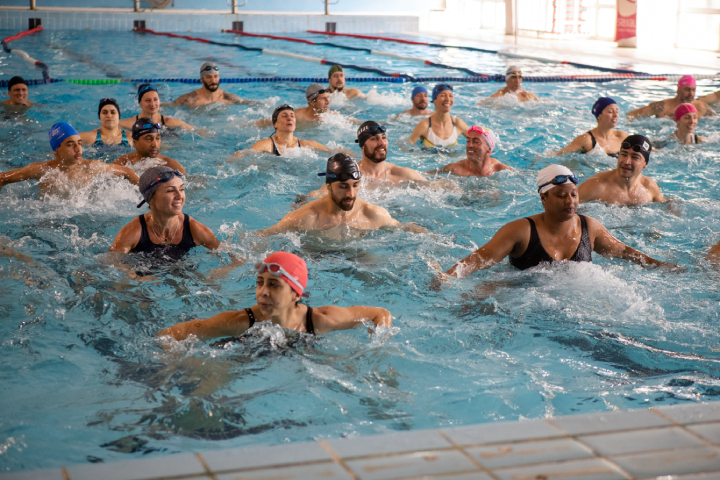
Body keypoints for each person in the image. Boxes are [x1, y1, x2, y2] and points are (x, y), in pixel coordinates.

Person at [440, 164, 674, 277]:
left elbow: (624, 251)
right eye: (561, 196)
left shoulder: (589, 227)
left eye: (574, 194)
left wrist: (660, 265)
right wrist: (446, 279)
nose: (570, 201)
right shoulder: (521, 231)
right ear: (544, 198)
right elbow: (477, 260)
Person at [157, 251, 392, 340]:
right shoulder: (242, 322)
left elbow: (380, 314)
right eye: (260, 283)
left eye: (274, 285)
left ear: (296, 294)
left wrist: (378, 345)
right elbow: (170, 334)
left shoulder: (321, 320)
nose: (263, 292)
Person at [257, 154, 426, 236]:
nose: (350, 194)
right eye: (343, 187)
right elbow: (263, 235)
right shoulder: (306, 217)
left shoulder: (373, 214)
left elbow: (406, 228)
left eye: (355, 185)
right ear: (328, 186)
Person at [109, 166, 226, 260]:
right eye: (170, 190)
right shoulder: (133, 232)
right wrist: (133, 276)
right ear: (151, 199)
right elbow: (112, 264)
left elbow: (229, 256)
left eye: (181, 189)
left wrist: (215, 275)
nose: (179, 196)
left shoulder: (195, 229)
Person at [0, 123, 138, 195]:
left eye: (79, 143)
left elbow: (127, 172)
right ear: (56, 150)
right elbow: (3, 178)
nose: (78, 149)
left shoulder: (91, 167)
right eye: (70, 144)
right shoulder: (42, 170)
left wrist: (146, 194)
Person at [308, 121, 427, 198]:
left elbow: (433, 187)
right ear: (362, 145)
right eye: (374, 139)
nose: (381, 143)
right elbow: (319, 194)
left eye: (384, 137)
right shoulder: (350, 174)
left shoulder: (402, 174)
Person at [578, 134, 666, 205]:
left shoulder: (649, 187)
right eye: (623, 154)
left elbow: (666, 205)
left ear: (645, 164)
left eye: (635, 157)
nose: (627, 161)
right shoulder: (597, 185)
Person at [231, 105, 332, 158]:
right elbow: (244, 155)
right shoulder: (266, 145)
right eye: (284, 116)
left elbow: (333, 152)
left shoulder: (305, 144)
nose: (289, 118)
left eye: (292, 116)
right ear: (275, 124)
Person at [549, 97, 628, 157]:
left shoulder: (622, 137)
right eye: (610, 111)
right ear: (599, 116)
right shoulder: (587, 140)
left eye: (617, 111)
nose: (615, 115)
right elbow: (559, 154)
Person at [111, 118, 187, 175]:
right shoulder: (122, 163)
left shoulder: (171, 166)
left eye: (157, 138)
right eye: (148, 139)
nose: (155, 144)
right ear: (135, 143)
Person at [429, 126, 509, 176]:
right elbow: (427, 175)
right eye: (468, 141)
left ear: (489, 149)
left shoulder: (499, 169)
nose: (469, 145)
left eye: (476, 142)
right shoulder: (456, 168)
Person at [627, 75, 715, 120]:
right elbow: (632, 114)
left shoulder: (701, 107)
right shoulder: (662, 106)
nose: (691, 94)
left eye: (693, 90)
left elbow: (716, 121)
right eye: (687, 89)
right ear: (678, 89)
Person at [170, 62, 254, 107]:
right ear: (201, 79)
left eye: (215, 76)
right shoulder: (190, 99)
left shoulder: (227, 97)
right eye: (208, 77)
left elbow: (252, 103)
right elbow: (168, 106)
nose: (213, 81)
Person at [119, 84, 197, 131]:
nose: (152, 104)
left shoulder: (169, 122)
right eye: (147, 100)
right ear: (140, 104)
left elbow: (196, 130)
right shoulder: (131, 124)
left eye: (155, 99)